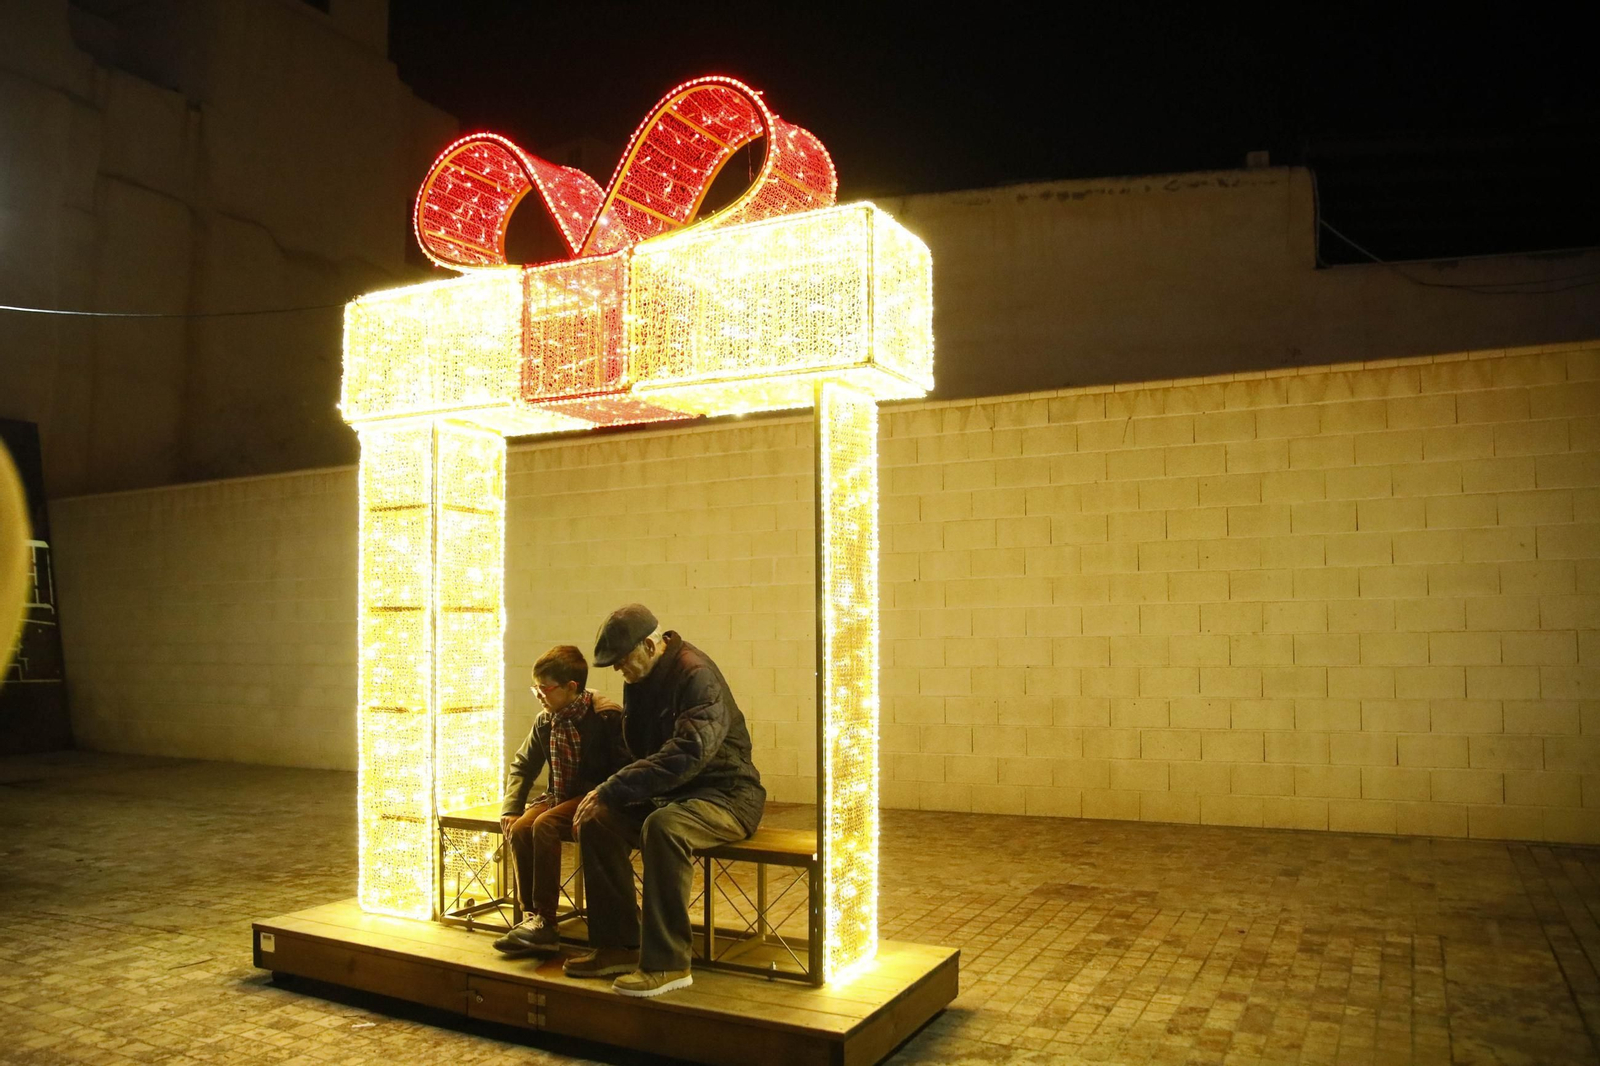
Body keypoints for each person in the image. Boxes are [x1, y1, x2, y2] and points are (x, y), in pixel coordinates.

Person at [564, 604, 765, 997]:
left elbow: (687, 753)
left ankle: (669, 963)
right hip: (675, 794)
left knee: (664, 827)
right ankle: (619, 945)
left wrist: (611, 786)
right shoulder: (642, 677)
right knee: (596, 820)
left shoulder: (696, 674)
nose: (621, 671)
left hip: (727, 796)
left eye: (624, 662)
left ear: (650, 644)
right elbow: (640, 749)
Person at [493, 645, 628, 955]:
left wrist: (606, 796)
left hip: (597, 796)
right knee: (520, 827)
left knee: (545, 825)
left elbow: (623, 767)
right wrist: (511, 808)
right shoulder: (547, 720)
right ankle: (532, 918)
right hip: (560, 794)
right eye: (535, 689)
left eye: (545, 689)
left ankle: (546, 920)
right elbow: (523, 765)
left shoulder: (604, 716)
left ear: (571, 688)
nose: (539, 696)